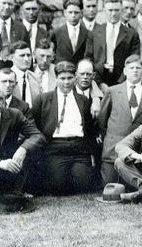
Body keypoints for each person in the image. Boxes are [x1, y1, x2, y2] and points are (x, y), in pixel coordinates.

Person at [30, 62, 99, 194]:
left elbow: (89, 129)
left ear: (75, 78)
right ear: (56, 79)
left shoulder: (83, 100)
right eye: (62, 78)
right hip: (55, 148)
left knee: (83, 185)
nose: (66, 82)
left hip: (79, 148)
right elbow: (35, 125)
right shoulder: (44, 99)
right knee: (58, 187)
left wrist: (91, 153)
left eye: (70, 78)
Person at [98, 55, 142, 184]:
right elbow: (102, 119)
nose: (135, 70)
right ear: (125, 71)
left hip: (137, 148)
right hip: (113, 148)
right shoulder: (112, 91)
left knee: (131, 183)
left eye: (138, 68)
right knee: (109, 184)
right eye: (131, 68)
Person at [85, 0, 141, 89]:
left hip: (121, 80)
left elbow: (134, 60)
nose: (113, 14)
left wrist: (121, 83)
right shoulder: (94, 32)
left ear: (121, 10)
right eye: (110, 10)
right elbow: (88, 59)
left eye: (116, 10)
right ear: (104, 10)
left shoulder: (132, 34)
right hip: (99, 79)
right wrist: (99, 83)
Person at [51, 0, 89, 65]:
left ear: (81, 13)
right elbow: (51, 54)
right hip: (62, 71)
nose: (73, 15)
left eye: (76, 12)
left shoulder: (87, 33)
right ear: (65, 13)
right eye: (70, 12)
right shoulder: (56, 33)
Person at [9, 41, 41, 108]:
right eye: (22, 55)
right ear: (12, 57)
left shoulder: (36, 78)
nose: (26, 59)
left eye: (29, 55)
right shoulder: (3, 78)